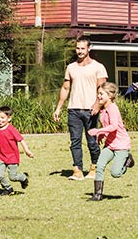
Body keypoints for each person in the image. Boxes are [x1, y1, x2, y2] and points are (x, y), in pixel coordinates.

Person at [53, 37, 108, 181]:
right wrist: (58, 108)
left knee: (92, 142)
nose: (80, 51)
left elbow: (102, 89)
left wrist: (97, 104)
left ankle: (95, 167)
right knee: (75, 141)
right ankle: (77, 170)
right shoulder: (71, 67)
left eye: (82, 48)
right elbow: (65, 88)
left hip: (90, 110)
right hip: (73, 109)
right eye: (77, 48)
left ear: (89, 48)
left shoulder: (98, 67)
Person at [86, 82, 134, 201]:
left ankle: (127, 160)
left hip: (121, 145)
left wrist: (97, 131)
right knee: (100, 166)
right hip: (110, 145)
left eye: (101, 94)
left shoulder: (113, 108)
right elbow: (107, 126)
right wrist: (102, 135)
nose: (99, 96)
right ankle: (97, 194)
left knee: (115, 173)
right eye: (98, 94)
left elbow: (113, 126)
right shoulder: (103, 109)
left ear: (110, 96)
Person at [0, 106, 34, 196]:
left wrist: (27, 150)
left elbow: (21, 140)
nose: (0, 120)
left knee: (13, 177)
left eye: (2, 118)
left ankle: (23, 178)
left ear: (9, 118)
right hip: (1, 157)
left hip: (12, 157)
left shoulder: (12, 130)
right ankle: (8, 188)